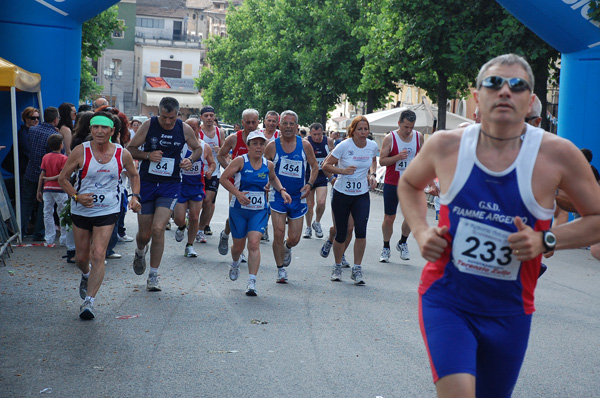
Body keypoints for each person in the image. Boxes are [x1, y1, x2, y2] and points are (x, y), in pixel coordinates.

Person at [397, 53, 600, 398]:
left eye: (517, 85)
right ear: (478, 96)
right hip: (447, 299)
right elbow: (409, 184)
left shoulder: (559, 154)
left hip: (511, 311)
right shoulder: (446, 145)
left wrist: (545, 240)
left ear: (530, 99)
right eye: (494, 83)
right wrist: (420, 232)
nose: (505, 90)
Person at [58, 112, 141, 320]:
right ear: (91, 130)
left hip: (108, 210)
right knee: (81, 258)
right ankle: (86, 275)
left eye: (104, 128)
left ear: (112, 131)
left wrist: (134, 196)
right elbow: (63, 179)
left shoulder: (122, 154)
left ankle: (89, 302)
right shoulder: (80, 151)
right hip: (81, 210)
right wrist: (76, 196)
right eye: (95, 127)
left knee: (98, 254)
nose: (100, 131)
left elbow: (134, 174)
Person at [126, 97, 202, 292]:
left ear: (178, 114)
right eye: (164, 117)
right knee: (144, 234)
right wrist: (147, 156)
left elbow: (198, 148)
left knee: (158, 228)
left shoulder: (184, 128)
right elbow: (130, 150)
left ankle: (153, 275)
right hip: (147, 183)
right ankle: (140, 251)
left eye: (172, 117)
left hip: (170, 184)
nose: (168, 122)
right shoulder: (148, 126)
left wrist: (190, 160)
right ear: (158, 113)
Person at [220, 130, 291, 295]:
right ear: (248, 146)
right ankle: (235, 262)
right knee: (238, 247)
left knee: (253, 243)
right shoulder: (240, 161)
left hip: (259, 211)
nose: (258, 147)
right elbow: (223, 178)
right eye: (255, 144)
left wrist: (281, 190)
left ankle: (252, 282)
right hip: (238, 210)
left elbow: (272, 178)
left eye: (261, 144)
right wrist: (237, 194)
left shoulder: (268, 164)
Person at [264, 110, 319, 283]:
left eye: (291, 124)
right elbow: (263, 166)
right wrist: (265, 182)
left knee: (294, 238)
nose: (288, 127)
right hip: (278, 196)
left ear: (297, 127)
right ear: (279, 125)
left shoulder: (305, 145)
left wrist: (309, 184)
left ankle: (288, 247)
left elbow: (315, 167)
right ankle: (280, 269)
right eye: (285, 123)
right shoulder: (272, 145)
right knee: (278, 233)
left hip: (298, 197)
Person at [322, 115, 378, 285]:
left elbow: (373, 161)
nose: (363, 132)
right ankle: (337, 266)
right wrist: (342, 171)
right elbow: (325, 165)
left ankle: (357, 269)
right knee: (342, 233)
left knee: (361, 231)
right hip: (341, 193)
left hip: (361, 194)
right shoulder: (344, 146)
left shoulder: (372, 145)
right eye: (360, 129)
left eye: (366, 129)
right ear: (352, 131)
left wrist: (372, 175)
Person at [378, 109, 423, 262]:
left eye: (411, 127)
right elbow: (382, 161)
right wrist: (397, 157)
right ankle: (385, 247)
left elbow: (423, 158)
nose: (408, 130)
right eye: (405, 127)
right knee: (389, 217)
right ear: (399, 123)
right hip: (393, 182)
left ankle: (403, 242)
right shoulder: (390, 138)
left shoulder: (418, 137)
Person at [216, 109, 260, 257]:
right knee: (236, 216)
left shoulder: (263, 141)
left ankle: (239, 248)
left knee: (250, 217)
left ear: (258, 122)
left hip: (256, 186)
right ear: (242, 123)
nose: (251, 125)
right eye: (248, 122)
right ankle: (227, 234)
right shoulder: (234, 138)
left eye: (254, 122)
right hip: (236, 185)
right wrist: (230, 170)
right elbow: (220, 155)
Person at [172, 119, 216, 257]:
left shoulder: (204, 147)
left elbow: (212, 163)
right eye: (188, 128)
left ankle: (189, 246)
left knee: (195, 217)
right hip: (181, 185)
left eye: (194, 128)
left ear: (199, 129)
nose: (191, 130)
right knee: (179, 218)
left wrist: (210, 171)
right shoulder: (180, 145)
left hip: (197, 186)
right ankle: (181, 226)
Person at [21, 106, 60, 240]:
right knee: (44, 206)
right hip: (46, 175)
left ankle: (21, 230)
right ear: (55, 119)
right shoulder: (54, 136)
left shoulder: (32, 130)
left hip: (31, 171)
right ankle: (39, 233)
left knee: (26, 202)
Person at [197, 106, 226, 242]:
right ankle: (192, 222)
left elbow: (225, 152)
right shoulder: (198, 132)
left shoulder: (220, 133)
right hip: (197, 172)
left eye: (211, 115)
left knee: (208, 201)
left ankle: (201, 229)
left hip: (214, 172)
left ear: (214, 117)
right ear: (201, 117)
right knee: (198, 202)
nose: (209, 118)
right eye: (206, 115)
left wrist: (220, 150)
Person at [36, 134, 68, 246]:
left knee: (47, 212)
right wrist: (51, 178)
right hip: (60, 188)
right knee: (63, 213)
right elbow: (62, 175)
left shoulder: (45, 157)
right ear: (61, 145)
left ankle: (49, 238)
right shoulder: (64, 158)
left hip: (47, 189)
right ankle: (64, 238)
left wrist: (39, 190)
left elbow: (42, 174)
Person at [303, 122, 334, 239]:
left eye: (319, 134)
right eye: (314, 134)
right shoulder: (305, 142)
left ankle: (317, 222)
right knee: (309, 204)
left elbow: (335, 156)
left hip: (322, 176)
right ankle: (308, 227)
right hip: (309, 176)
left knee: (321, 202)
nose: (317, 137)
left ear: (323, 133)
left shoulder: (328, 141)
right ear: (310, 133)